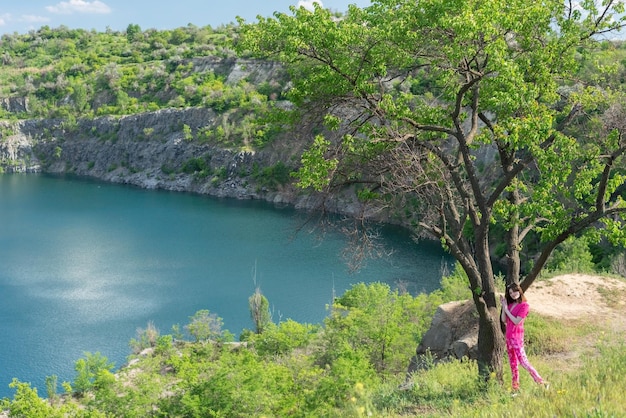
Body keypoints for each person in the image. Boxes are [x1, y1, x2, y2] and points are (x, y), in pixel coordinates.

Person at [500, 282, 547, 392]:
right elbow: (503, 320)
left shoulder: (524, 306)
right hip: (508, 337)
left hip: (517, 337)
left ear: (519, 291)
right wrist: (504, 307)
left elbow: (517, 321)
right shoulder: (510, 306)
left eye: (515, 291)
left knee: (523, 361)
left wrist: (507, 310)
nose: (513, 294)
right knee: (513, 364)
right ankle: (515, 388)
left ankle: (541, 382)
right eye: (510, 293)